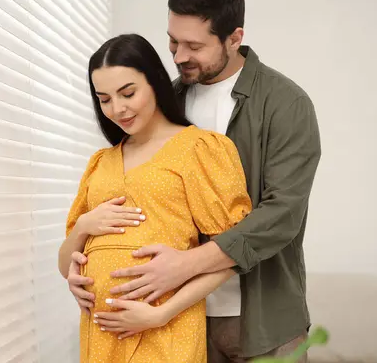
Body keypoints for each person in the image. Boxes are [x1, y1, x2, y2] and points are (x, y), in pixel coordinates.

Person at [65, 0, 322, 363]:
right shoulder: (164, 100)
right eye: (172, 41)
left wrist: (184, 266)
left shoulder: (284, 104)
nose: (179, 55)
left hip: (262, 317)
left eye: (193, 45)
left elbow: (282, 215)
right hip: (181, 321)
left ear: (234, 38)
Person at [57, 33, 252, 362]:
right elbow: (65, 266)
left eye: (128, 93)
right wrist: (84, 228)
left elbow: (233, 253)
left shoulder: (199, 149)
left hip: (165, 329)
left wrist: (161, 314)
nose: (117, 109)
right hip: (100, 334)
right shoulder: (100, 163)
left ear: (155, 82)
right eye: (104, 99)